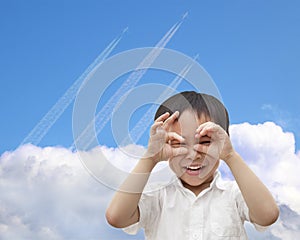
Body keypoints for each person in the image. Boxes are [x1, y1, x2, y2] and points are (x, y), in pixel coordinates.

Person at [106, 91, 279, 239]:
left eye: (204, 142)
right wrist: (149, 159)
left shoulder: (233, 195)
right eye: (178, 143)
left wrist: (230, 155)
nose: (193, 155)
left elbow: (267, 215)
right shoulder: (158, 198)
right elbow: (116, 217)